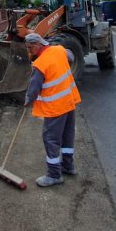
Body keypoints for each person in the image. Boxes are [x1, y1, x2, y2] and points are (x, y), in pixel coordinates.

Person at [22, 32, 81, 187]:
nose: (29, 52)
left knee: (51, 139)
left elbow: (34, 89)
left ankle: (54, 175)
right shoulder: (59, 50)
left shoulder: (40, 64)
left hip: (55, 107)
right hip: (69, 102)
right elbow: (71, 57)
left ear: (38, 44)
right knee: (67, 135)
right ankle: (68, 166)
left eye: (30, 48)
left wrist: (28, 100)